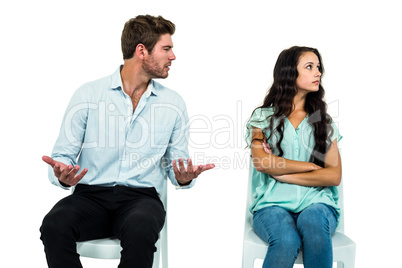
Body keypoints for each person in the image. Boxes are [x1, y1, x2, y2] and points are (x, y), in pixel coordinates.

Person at [40, 15, 215, 268]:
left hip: (141, 199)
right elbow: (63, 156)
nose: (173, 56)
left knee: (141, 228)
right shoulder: (89, 94)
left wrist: (185, 176)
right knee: (54, 225)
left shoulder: (173, 103)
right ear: (141, 51)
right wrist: (61, 174)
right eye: (166, 49)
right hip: (90, 197)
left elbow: (176, 167)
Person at [245, 46, 342, 268]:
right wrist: (310, 166)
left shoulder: (323, 122)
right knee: (286, 240)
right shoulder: (262, 118)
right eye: (309, 67)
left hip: (318, 203)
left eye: (318, 67)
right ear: (289, 73)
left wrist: (283, 175)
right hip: (271, 205)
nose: (318, 72)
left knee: (313, 222)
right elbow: (262, 162)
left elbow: (333, 176)